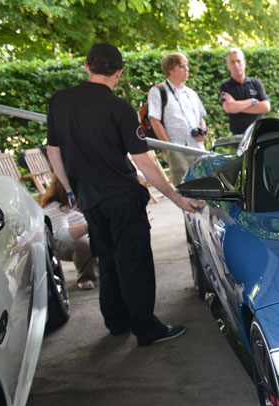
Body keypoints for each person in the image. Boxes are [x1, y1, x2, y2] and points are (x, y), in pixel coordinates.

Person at [46, 43, 200, 346]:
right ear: (119, 72)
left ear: (87, 67)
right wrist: (177, 198)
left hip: (90, 199)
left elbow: (54, 152)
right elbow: (144, 161)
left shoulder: (59, 101)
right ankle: (146, 328)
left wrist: (73, 191)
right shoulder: (120, 109)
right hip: (123, 199)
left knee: (108, 260)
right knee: (135, 263)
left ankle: (116, 323)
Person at [147, 52, 208, 185]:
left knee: (206, 185)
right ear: (170, 70)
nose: (187, 69)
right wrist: (169, 147)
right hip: (177, 149)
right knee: (185, 188)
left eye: (187, 65)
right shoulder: (158, 91)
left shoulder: (191, 93)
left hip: (198, 148)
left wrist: (203, 131)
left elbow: (201, 118)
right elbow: (154, 120)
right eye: (182, 66)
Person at [39, 178, 98, 290]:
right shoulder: (54, 208)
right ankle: (85, 277)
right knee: (83, 243)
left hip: (81, 234)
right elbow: (62, 234)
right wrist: (89, 226)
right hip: (57, 242)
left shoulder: (82, 202)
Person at [219, 47, 271, 136]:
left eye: (238, 61)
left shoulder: (256, 83)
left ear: (244, 63)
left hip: (260, 133)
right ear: (228, 65)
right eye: (232, 62)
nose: (236, 65)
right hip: (239, 136)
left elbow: (266, 107)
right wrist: (252, 101)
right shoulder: (225, 86)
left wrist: (237, 106)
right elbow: (229, 108)